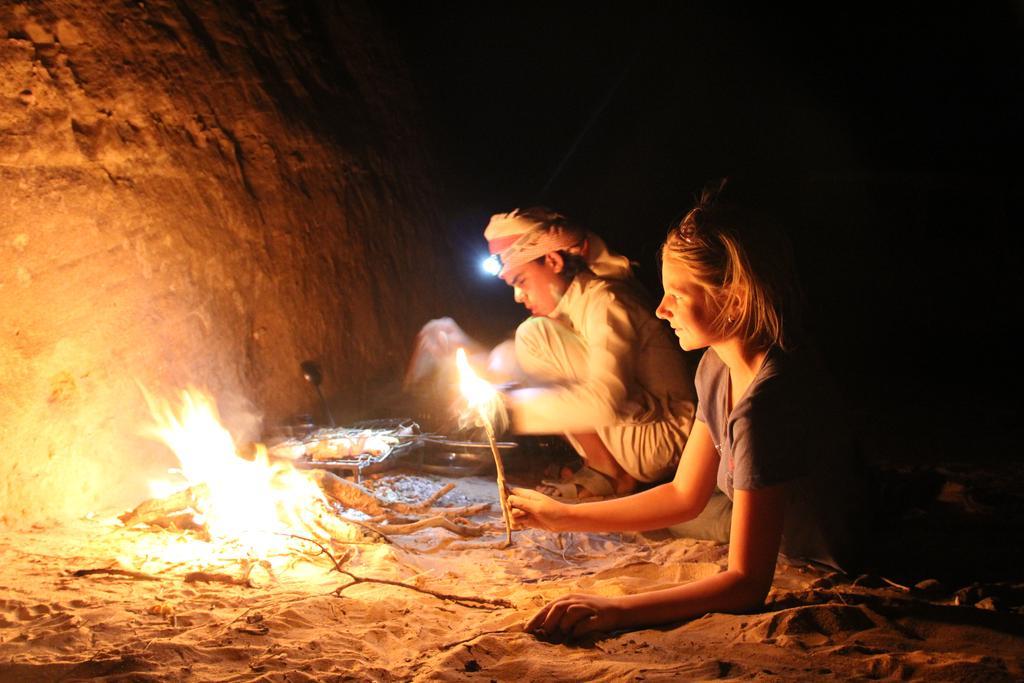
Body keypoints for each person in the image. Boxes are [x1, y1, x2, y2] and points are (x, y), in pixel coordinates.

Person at [508, 181, 867, 639]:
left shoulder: (765, 403)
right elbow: (683, 494)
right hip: (748, 505)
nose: (660, 309)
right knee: (680, 514)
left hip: (808, 552)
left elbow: (746, 584)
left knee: (692, 522)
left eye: (677, 294)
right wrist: (562, 515)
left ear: (734, 300)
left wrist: (617, 609)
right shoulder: (716, 366)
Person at [407, 207, 696, 498]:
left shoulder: (606, 300)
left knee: (533, 336)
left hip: (663, 440)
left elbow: (604, 402)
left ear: (553, 261)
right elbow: (514, 367)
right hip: (641, 433)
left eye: (521, 281)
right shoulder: (579, 302)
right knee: (517, 349)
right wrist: (464, 351)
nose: (518, 296)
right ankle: (604, 468)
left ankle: (608, 473)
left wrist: (507, 406)